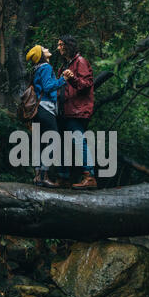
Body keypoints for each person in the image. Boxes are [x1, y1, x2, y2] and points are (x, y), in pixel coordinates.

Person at [56, 35, 97, 189]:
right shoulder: (64, 66)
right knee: (62, 144)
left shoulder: (80, 62)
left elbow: (87, 84)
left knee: (78, 142)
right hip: (64, 111)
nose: (58, 48)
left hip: (76, 111)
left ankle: (89, 176)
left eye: (61, 45)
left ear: (69, 45)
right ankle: (63, 177)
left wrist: (72, 78)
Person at [26, 44, 68, 188]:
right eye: (44, 49)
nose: (47, 49)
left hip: (37, 110)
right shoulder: (46, 67)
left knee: (39, 143)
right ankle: (44, 176)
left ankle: (37, 176)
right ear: (42, 55)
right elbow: (48, 87)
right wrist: (63, 80)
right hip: (45, 108)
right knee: (54, 141)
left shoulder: (35, 69)